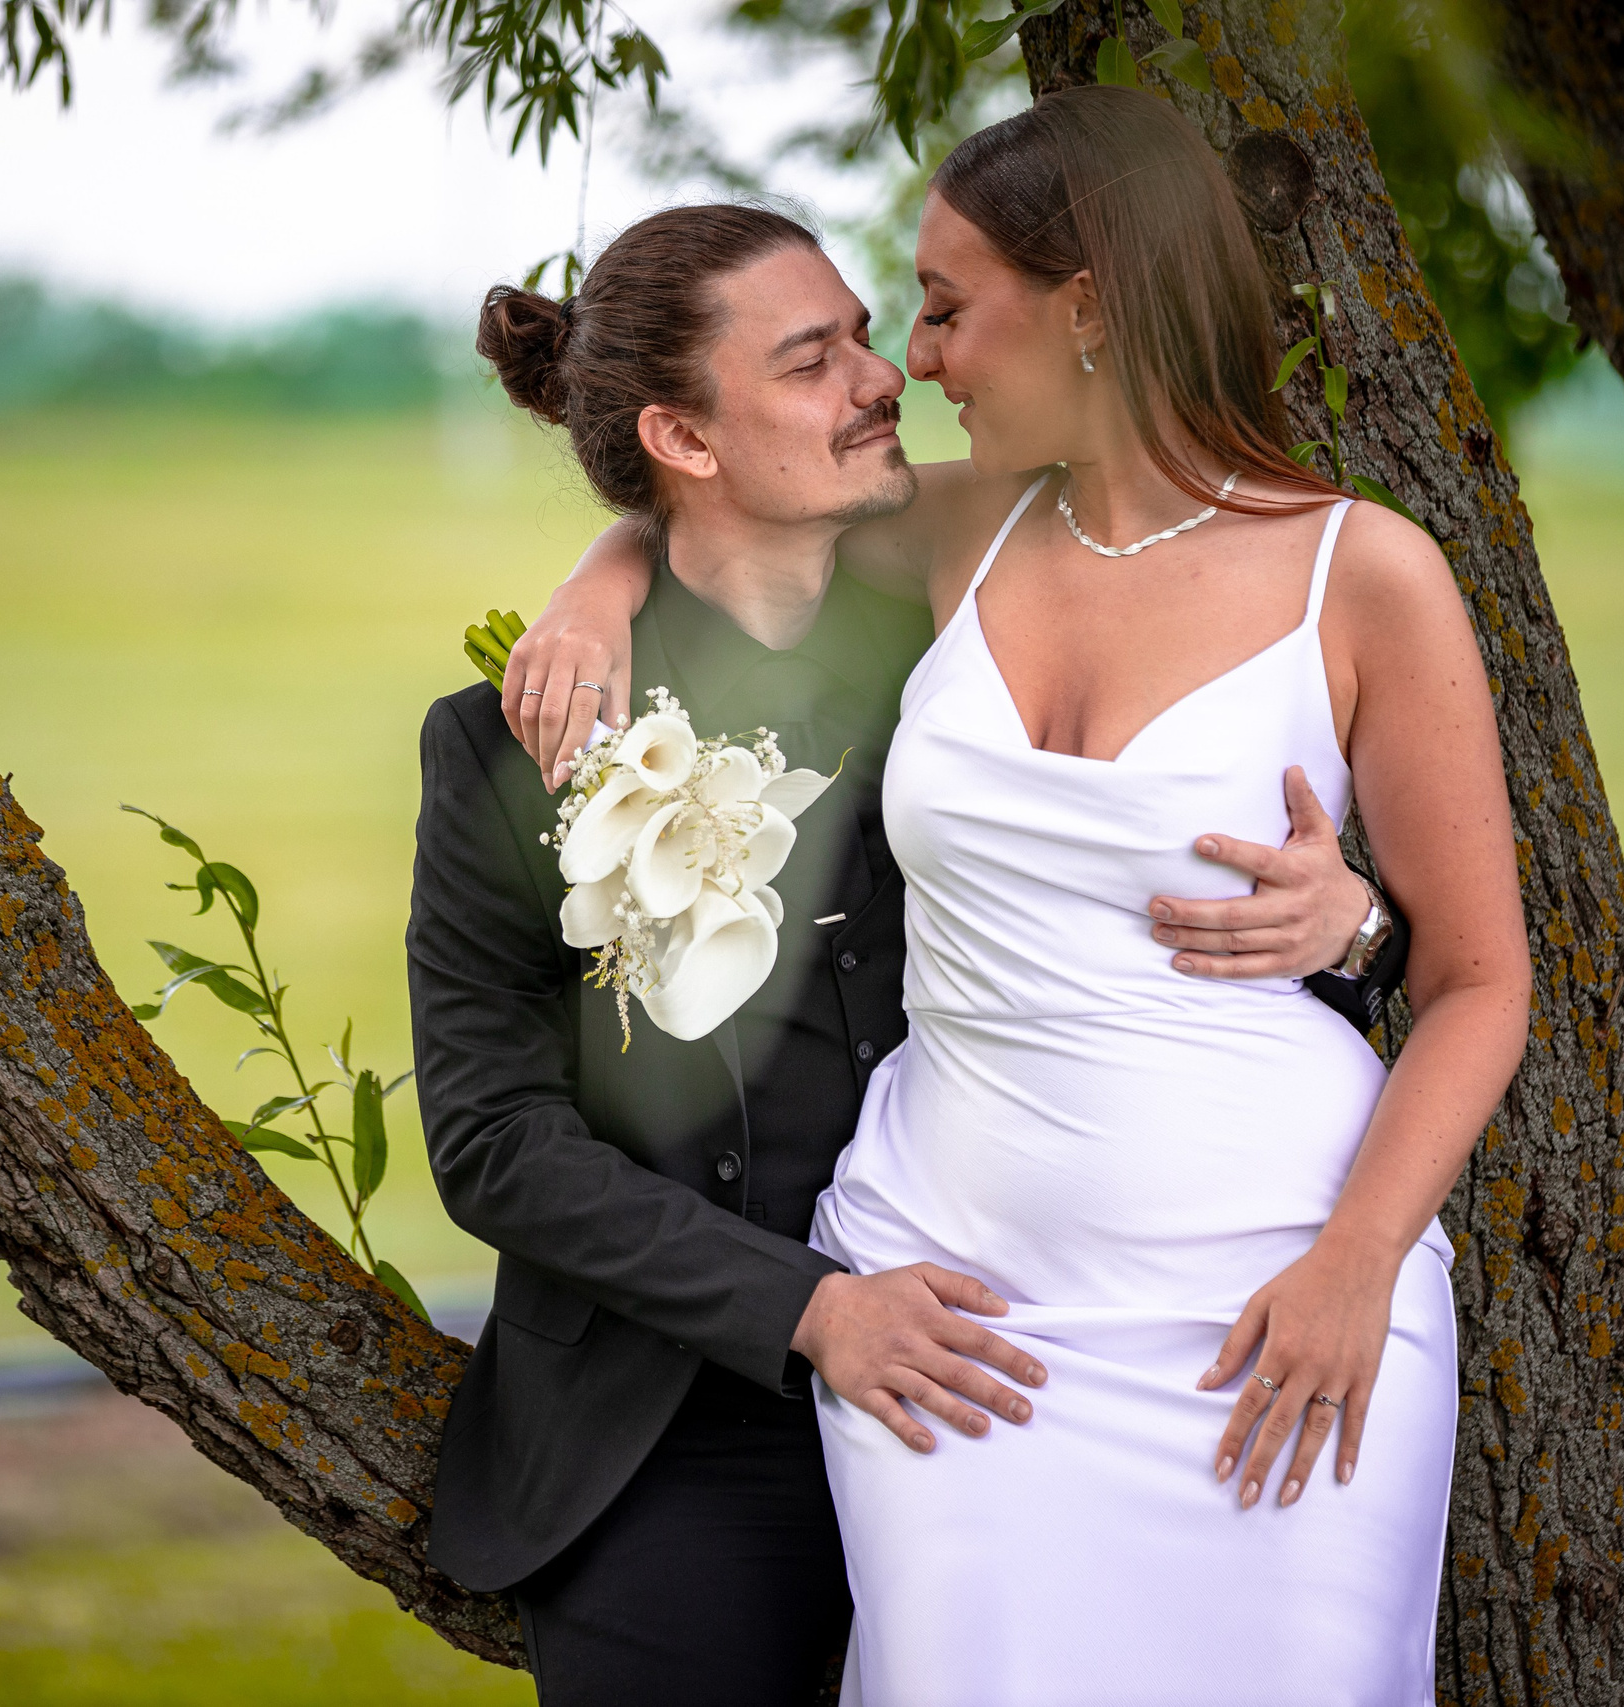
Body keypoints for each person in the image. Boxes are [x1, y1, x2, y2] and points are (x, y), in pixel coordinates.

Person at [502, 89, 1530, 1705]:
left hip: (1274, 1297)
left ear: (1092, 305)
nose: (913, 361)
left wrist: (1358, 1259)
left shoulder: (1367, 575)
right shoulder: (958, 534)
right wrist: (593, 586)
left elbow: (1480, 979)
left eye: (943, 307)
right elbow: (702, 500)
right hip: (957, 1316)